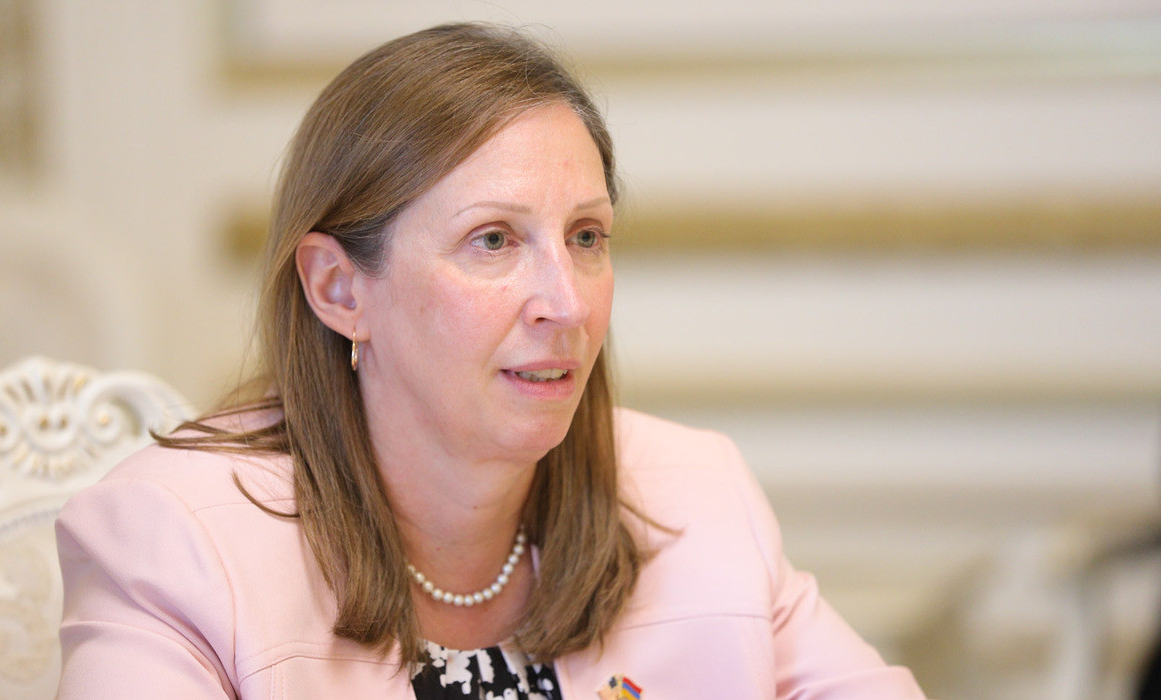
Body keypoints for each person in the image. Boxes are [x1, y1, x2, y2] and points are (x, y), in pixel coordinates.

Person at [55, 22, 928, 699]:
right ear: (339, 288)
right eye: (493, 240)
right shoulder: (179, 540)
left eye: (586, 237)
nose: (568, 303)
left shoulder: (699, 497)